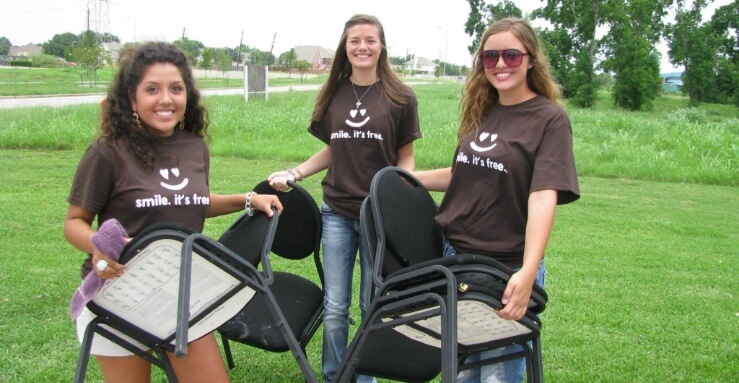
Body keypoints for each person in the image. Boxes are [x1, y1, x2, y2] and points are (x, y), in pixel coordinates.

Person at [63, 41, 282, 383]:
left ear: (187, 96)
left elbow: (195, 202)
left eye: (176, 89)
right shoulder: (107, 152)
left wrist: (249, 199)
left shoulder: (195, 148)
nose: (166, 99)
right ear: (132, 98)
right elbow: (74, 222)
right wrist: (97, 248)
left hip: (180, 293)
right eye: (152, 89)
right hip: (120, 293)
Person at [413, 17, 580, 383]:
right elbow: (462, 176)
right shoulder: (481, 111)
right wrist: (406, 178)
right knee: (457, 374)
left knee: (495, 377)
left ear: (531, 60)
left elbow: (542, 196)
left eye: (511, 55)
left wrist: (528, 271)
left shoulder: (549, 120)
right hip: (455, 260)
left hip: (506, 269)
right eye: (490, 57)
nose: (500, 64)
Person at [268, 14, 421, 383]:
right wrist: (295, 173)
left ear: (382, 45)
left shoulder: (401, 96)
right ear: (345, 46)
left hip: (379, 219)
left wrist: (406, 193)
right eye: (355, 40)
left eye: (370, 40)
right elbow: (333, 150)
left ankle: (363, 376)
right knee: (336, 306)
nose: (363, 47)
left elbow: (406, 157)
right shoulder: (334, 92)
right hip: (336, 212)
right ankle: (334, 376)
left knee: (372, 304)